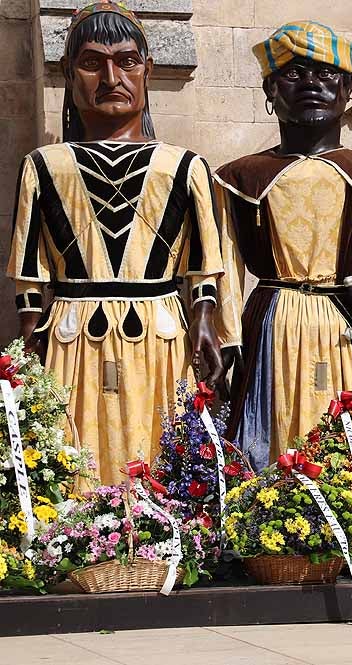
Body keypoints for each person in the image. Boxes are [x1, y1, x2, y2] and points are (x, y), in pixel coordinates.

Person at [6, 2, 227, 483]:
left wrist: (206, 326)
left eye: (126, 61)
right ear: (69, 73)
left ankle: (164, 549)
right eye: (92, 62)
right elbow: (29, 271)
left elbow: (204, 266)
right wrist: (27, 346)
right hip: (71, 337)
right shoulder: (44, 166)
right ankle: (82, 548)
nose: (111, 77)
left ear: (146, 70)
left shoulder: (185, 166)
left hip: (161, 334)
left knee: (163, 454)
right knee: (73, 454)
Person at [215, 21, 352, 470]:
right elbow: (224, 264)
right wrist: (228, 339)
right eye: (293, 74)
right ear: (269, 90)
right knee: (269, 436)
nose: (310, 84)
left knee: (348, 444)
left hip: (345, 326)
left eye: (326, 75)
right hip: (271, 323)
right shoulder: (238, 179)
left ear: (347, 89)